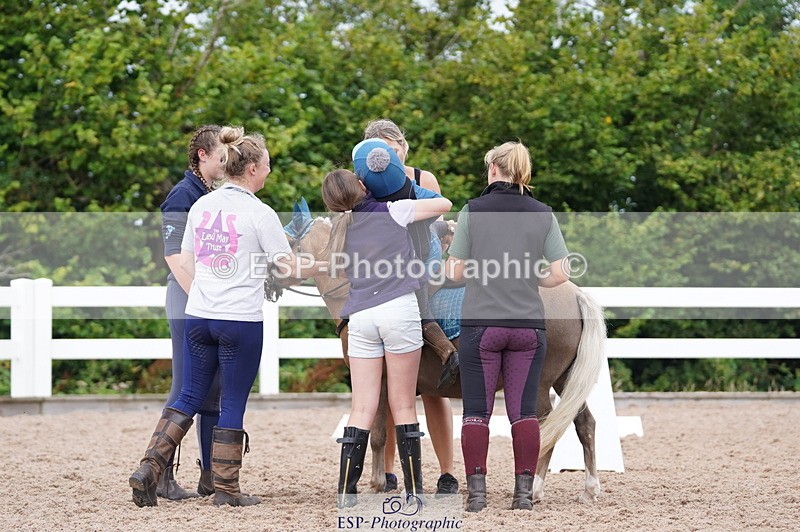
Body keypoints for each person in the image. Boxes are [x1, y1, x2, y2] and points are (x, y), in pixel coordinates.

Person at [129, 126, 326, 508]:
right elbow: (288, 268)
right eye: (267, 165)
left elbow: (188, 262)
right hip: (239, 321)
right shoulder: (261, 213)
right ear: (251, 169)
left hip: (199, 316)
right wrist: (326, 265)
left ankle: (149, 468)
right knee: (231, 401)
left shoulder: (202, 206)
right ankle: (226, 489)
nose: (269, 171)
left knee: (189, 395)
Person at [323, 142, 452, 508]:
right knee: (403, 405)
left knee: (361, 408)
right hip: (399, 311)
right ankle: (414, 493)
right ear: (362, 185)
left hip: (360, 317)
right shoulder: (395, 211)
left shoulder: (340, 228)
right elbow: (444, 205)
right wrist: (399, 188)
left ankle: (346, 494)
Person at [445, 141, 570, 512]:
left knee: (476, 412)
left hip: (482, 325)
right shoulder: (543, 213)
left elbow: (454, 271)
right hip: (527, 327)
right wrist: (532, 279)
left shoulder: (473, 210)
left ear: (494, 169)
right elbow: (561, 272)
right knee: (524, 413)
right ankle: (522, 496)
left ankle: (477, 496)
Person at [362, 119, 459, 496]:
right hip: (385, 272)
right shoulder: (364, 180)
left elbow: (437, 224)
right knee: (388, 388)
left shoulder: (423, 178)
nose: (390, 154)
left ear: (404, 147)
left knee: (433, 391)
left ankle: (447, 471)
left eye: (394, 147)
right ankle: (387, 471)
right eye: (382, 149)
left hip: (423, 264)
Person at [158, 125, 224, 500]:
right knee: (185, 385)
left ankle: (210, 474)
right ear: (203, 155)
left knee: (213, 389)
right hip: (187, 297)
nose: (226, 162)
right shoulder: (182, 195)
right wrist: (204, 299)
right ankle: (161, 473)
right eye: (221, 156)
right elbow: (173, 256)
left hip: (204, 296)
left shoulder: (209, 195)